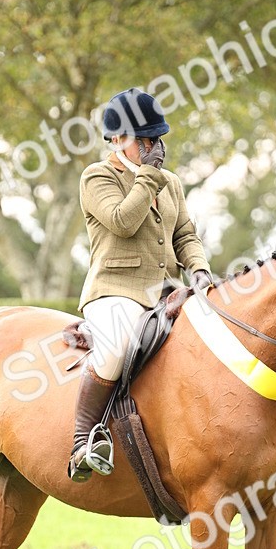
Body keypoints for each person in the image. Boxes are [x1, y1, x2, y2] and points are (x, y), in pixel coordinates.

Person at [68, 87, 213, 482]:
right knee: (115, 348)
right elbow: (121, 221)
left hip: (167, 292)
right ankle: (82, 442)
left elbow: (185, 235)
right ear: (117, 140)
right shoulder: (97, 176)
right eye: (145, 140)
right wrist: (148, 177)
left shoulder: (171, 183)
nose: (155, 148)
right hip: (116, 292)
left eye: (158, 139)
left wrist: (198, 269)